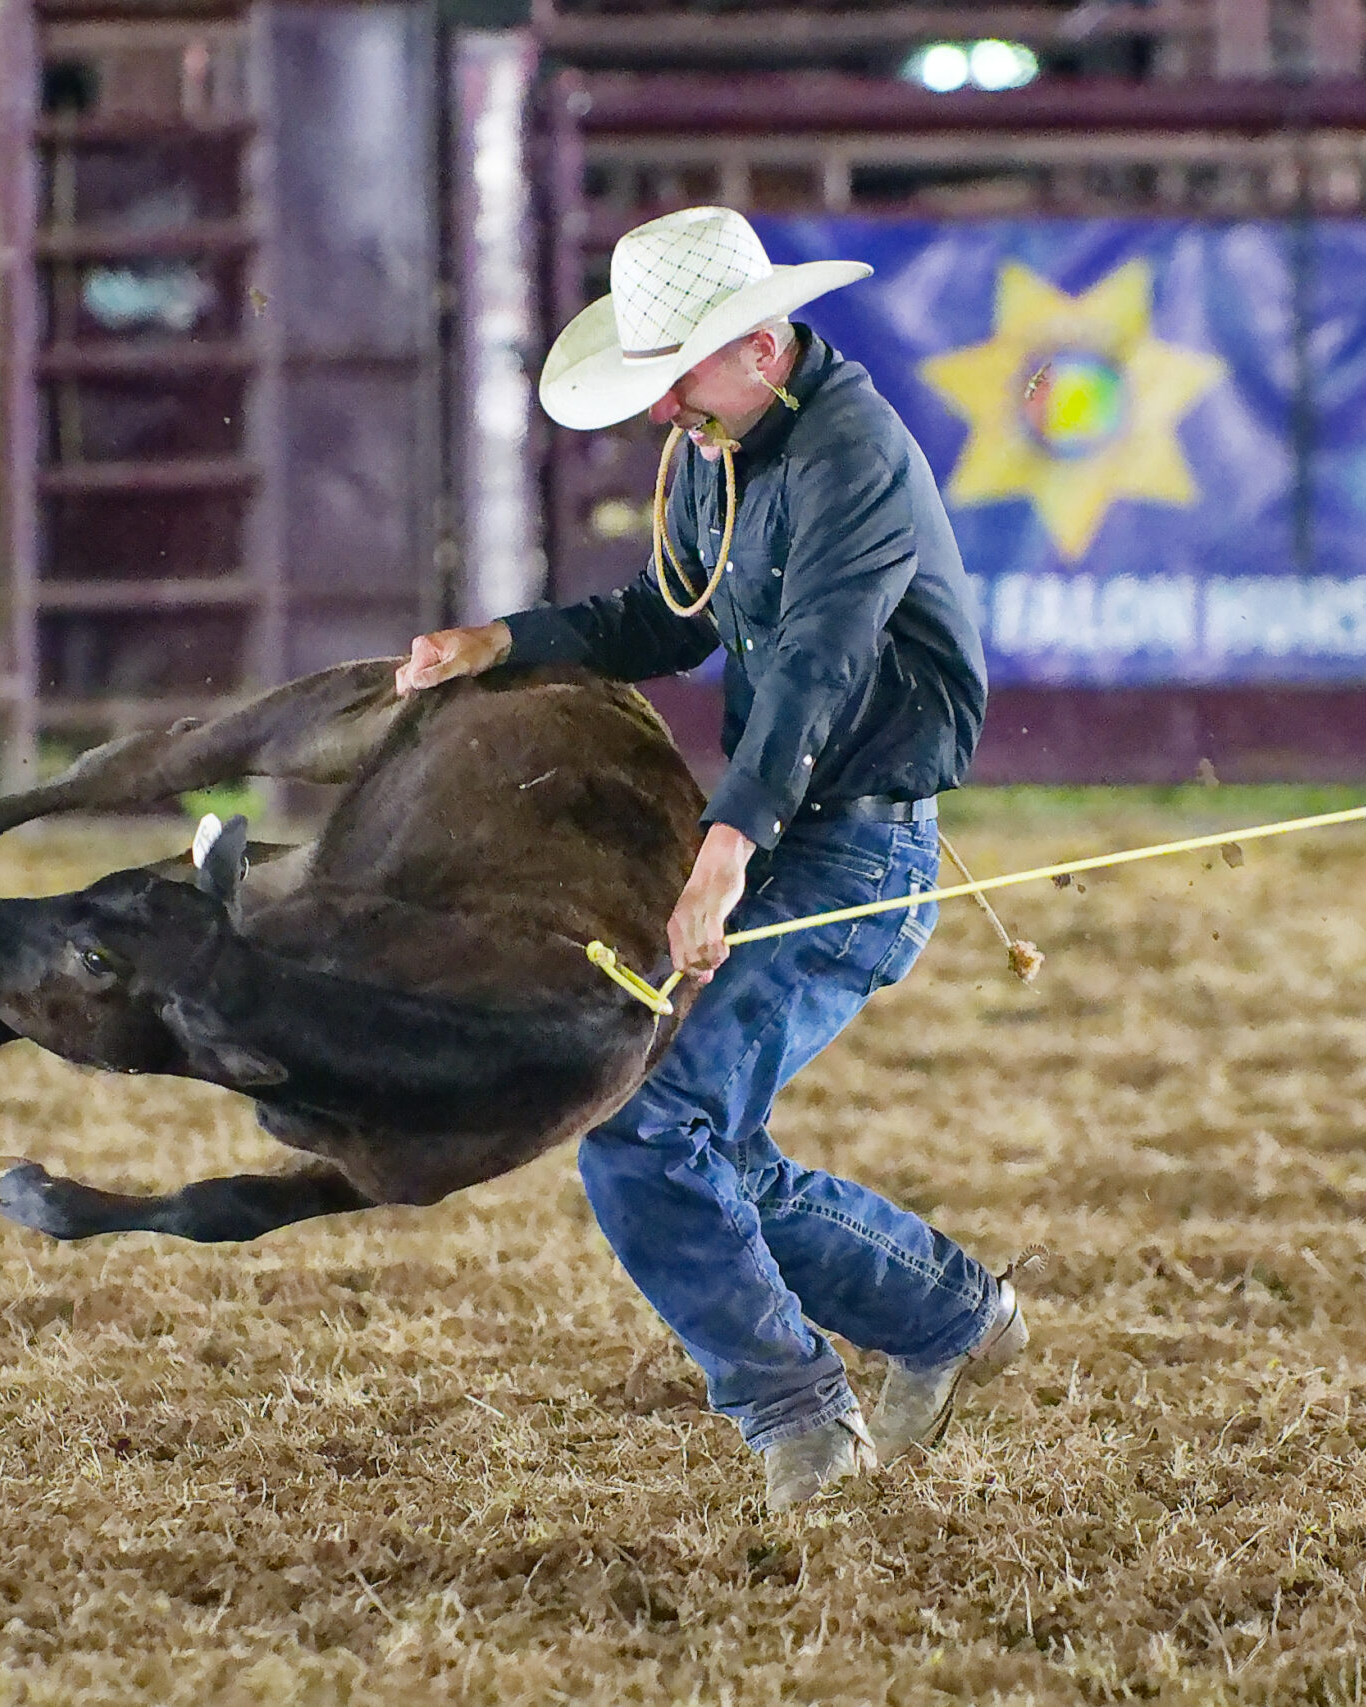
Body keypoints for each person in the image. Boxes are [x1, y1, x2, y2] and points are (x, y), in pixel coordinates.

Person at [394, 206, 1023, 1512]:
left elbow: (817, 664)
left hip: (856, 850)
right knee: (689, 1137)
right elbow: (664, 617)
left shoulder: (853, 453)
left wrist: (726, 848)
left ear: (757, 348)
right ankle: (944, 1316)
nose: (663, 409)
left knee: (648, 1125)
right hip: (796, 829)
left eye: (676, 377)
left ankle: (803, 1418)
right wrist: (502, 643)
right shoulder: (714, 449)